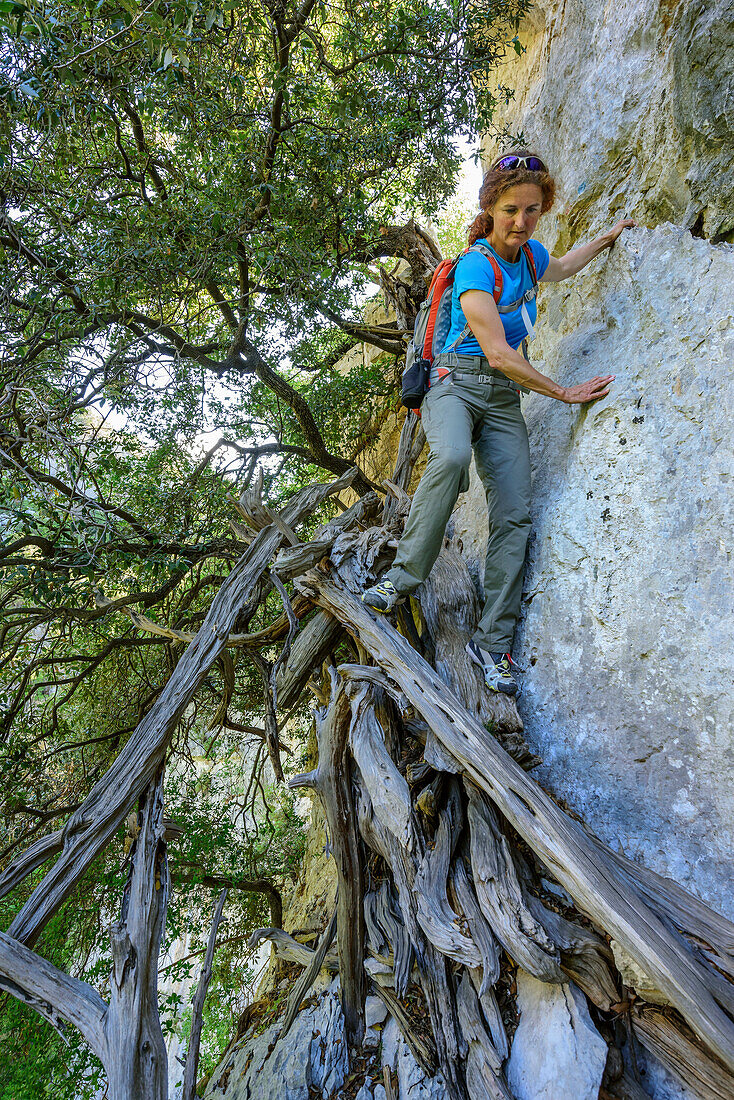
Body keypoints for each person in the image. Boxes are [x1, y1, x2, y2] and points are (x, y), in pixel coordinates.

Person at [362, 150, 636, 696]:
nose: (521, 221)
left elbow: (559, 268)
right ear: (490, 207)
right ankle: (400, 580)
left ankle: (493, 646)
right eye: (511, 209)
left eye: (533, 210)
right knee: (452, 457)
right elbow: (496, 352)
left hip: (504, 398)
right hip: (454, 384)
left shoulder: (532, 255)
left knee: (515, 513)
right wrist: (561, 392)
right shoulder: (474, 266)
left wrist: (606, 239)